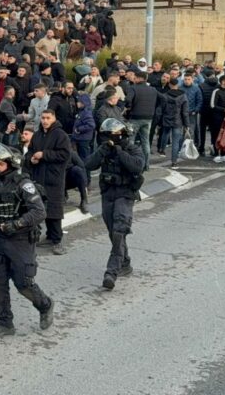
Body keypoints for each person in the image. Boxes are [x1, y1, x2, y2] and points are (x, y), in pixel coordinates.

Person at [0, 143, 55, 338]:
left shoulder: (23, 184)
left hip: (20, 240)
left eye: (0, 163)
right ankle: (5, 323)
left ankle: (45, 305)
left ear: (11, 164)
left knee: (23, 283)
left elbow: (39, 212)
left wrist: (16, 224)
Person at [84, 119, 144, 290]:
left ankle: (111, 272)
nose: (111, 138)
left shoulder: (132, 148)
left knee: (119, 230)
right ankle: (125, 262)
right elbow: (88, 164)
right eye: (108, 135)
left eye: (114, 135)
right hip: (108, 192)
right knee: (113, 231)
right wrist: (102, 151)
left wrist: (119, 152)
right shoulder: (105, 149)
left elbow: (137, 166)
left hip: (125, 193)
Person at [25, 110, 70, 254]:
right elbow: (29, 152)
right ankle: (50, 236)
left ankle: (58, 240)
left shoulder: (60, 135)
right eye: (43, 118)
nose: (45, 121)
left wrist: (44, 154)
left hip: (54, 178)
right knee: (43, 208)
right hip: (39, 177)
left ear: (53, 118)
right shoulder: (37, 135)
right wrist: (31, 159)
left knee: (54, 209)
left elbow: (64, 155)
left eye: (48, 118)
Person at [157, 78, 190, 169]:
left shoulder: (165, 95)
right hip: (177, 120)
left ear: (169, 85)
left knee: (165, 134)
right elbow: (185, 112)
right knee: (176, 141)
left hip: (166, 119)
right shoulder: (183, 96)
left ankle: (162, 149)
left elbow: (160, 110)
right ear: (177, 85)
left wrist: (158, 122)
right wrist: (187, 124)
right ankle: (174, 162)